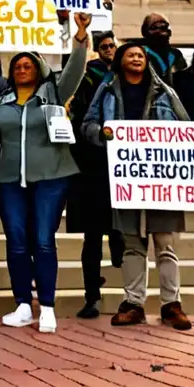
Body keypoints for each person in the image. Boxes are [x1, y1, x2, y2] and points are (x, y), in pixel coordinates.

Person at [0, 12, 91, 335]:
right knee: (16, 241)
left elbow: (75, 69)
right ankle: (22, 304)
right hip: (8, 181)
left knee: (42, 241)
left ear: (39, 69)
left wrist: (81, 35)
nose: (21, 69)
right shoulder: (1, 103)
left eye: (27, 65)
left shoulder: (54, 94)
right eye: (16, 67)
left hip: (51, 178)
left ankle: (48, 306)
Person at [82, 41, 192, 330]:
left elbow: (186, 127)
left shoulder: (166, 93)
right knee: (132, 245)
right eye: (129, 54)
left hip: (161, 178)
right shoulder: (105, 92)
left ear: (147, 61)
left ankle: (171, 304)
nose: (135, 58)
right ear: (119, 61)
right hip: (125, 177)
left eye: (140, 55)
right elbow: (88, 125)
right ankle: (133, 303)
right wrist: (102, 133)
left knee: (165, 245)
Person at [66, 31, 124, 319]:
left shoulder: (131, 78)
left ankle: (129, 294)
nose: (109, 51)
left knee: (120, 234)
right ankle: (92, 296)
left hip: (122, 167)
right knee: (91, 237)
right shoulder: (89, 78)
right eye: (103, 47)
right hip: (91, 164)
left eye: (112, 46)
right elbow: (80, 115)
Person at [141, 13, 187, 86]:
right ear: (144, 32)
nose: (159, 31)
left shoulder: (176, 55)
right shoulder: (140, 54)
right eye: (154, 27)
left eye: (163, 27)